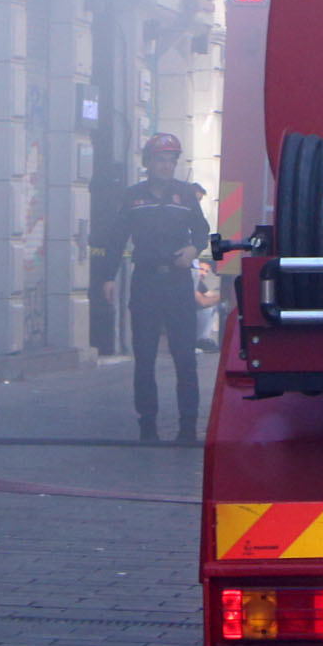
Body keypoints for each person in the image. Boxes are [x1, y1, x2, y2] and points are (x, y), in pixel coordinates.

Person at [112, 133, 212, 442]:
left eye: (171, 160)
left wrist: (193, 251)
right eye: (160, 159)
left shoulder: (186, 195)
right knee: (144, 357)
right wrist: (106, 277)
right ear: (148, 162)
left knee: (184, 356)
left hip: (177, 282)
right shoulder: (133, 196)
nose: (166, 166)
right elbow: (116, 238)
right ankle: (148, 424)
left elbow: (202, 232)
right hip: (145, 281)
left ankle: (187, 425)